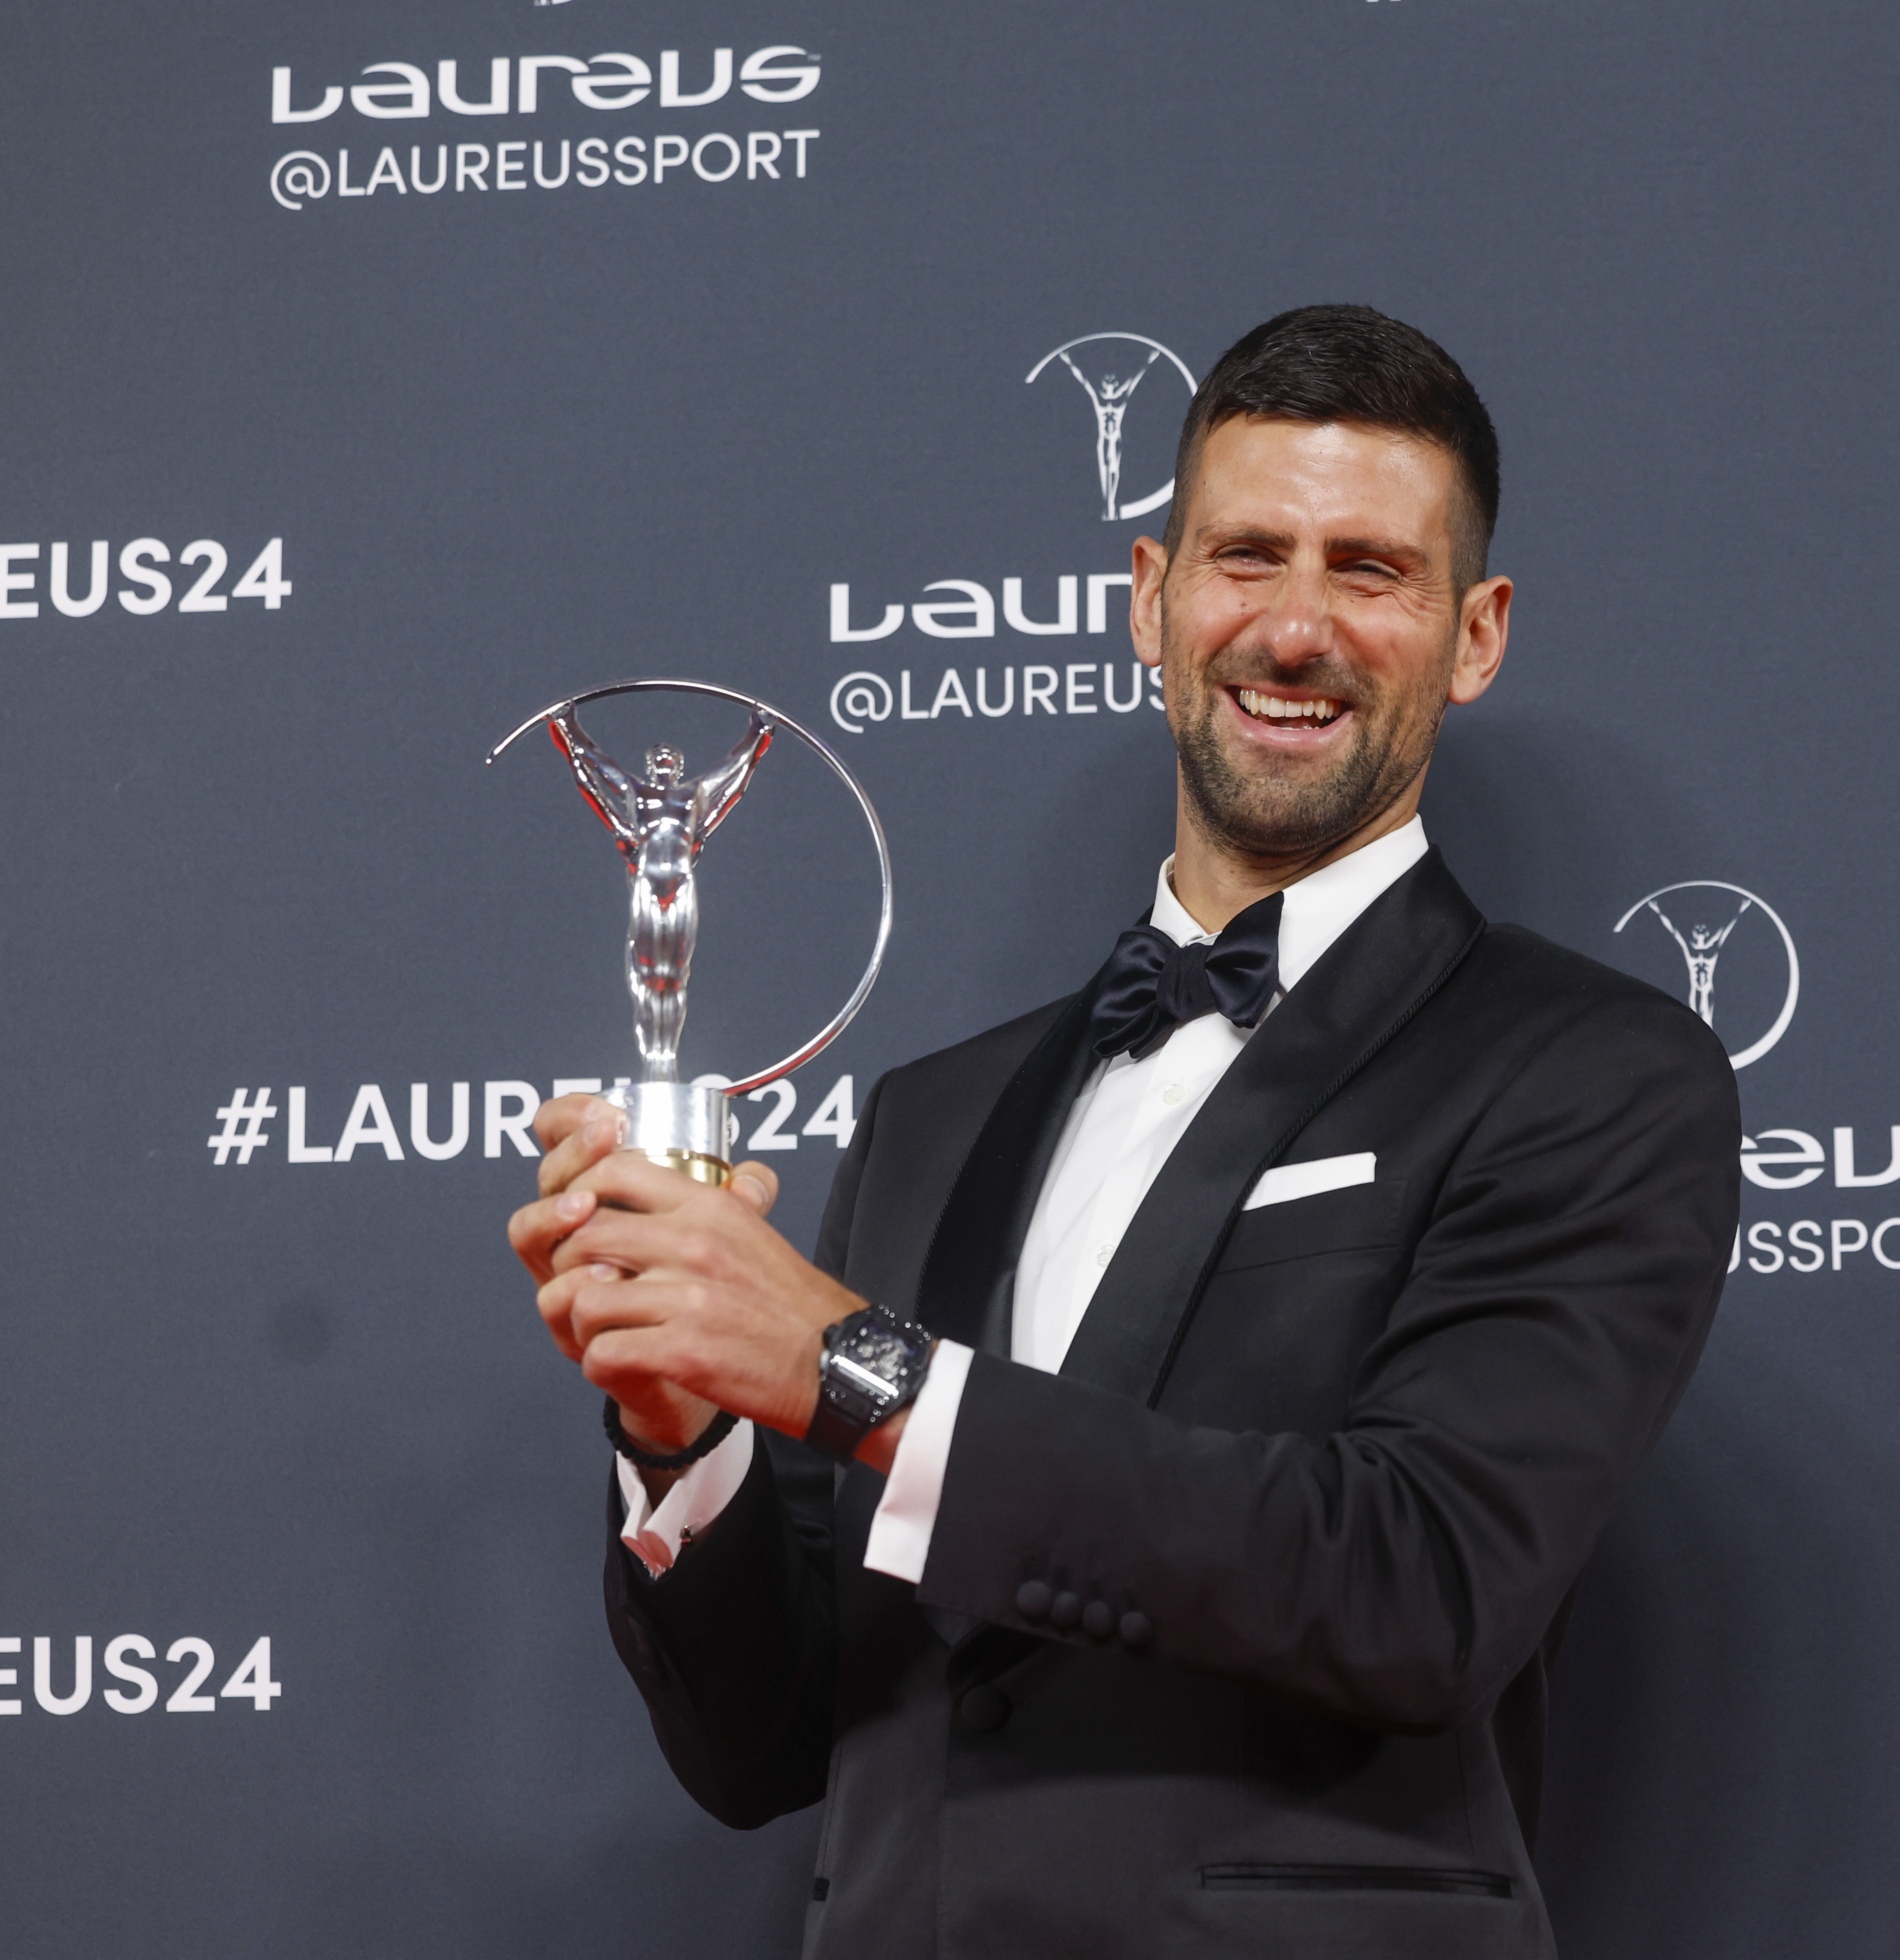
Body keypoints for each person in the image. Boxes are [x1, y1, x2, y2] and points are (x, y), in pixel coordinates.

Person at [507, 304, 1739, 1959]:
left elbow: (1422, 1587)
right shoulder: (935, 1116)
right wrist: (681, 1431)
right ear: (1150, 600)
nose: (1295, 627)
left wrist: (855, 1369)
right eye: (1246, 556)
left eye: (1370, 571)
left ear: (1477, 634)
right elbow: (763, 1746)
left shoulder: (1593, 1072)